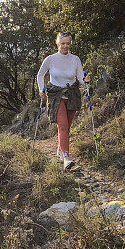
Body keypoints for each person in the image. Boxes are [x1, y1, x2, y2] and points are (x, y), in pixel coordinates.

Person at [36, 31, 90, 170]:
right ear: (57, 43)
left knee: (67, 127)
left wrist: (85, 81)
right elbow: (40, 75)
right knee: (63, 126)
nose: (65, 46)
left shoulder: (75, 59)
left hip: (72, 94)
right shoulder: (51, 59)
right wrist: (41, 89)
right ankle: (66, 157)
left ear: (70, 43)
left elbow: (80, 78)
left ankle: (60, 150)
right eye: (62, 43)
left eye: (67, 43)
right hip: (56, 95)